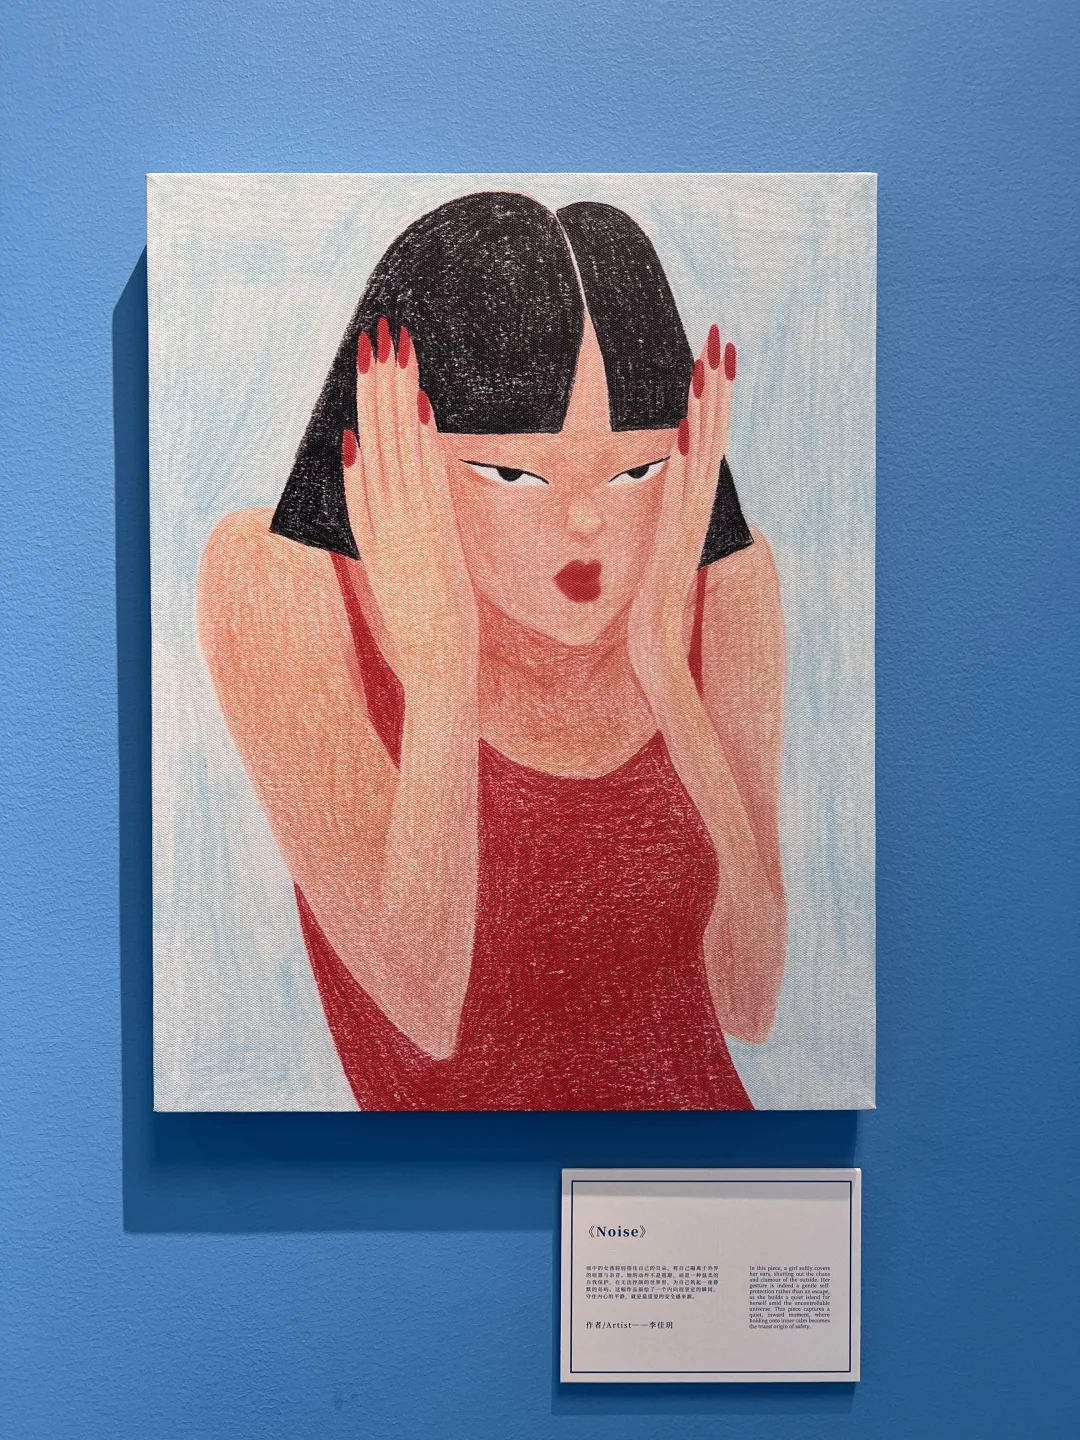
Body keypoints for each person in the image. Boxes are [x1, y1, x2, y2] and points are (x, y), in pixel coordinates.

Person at [197, 192, 786, 1111]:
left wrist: (663, 667)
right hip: (441, 1189)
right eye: (513, 471)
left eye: (635, 470)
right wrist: (440, 665)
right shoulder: (278, 583)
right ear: (395, 441)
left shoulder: (723, 588)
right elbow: (424, 1007)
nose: (586, 522)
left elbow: (750, 1001)